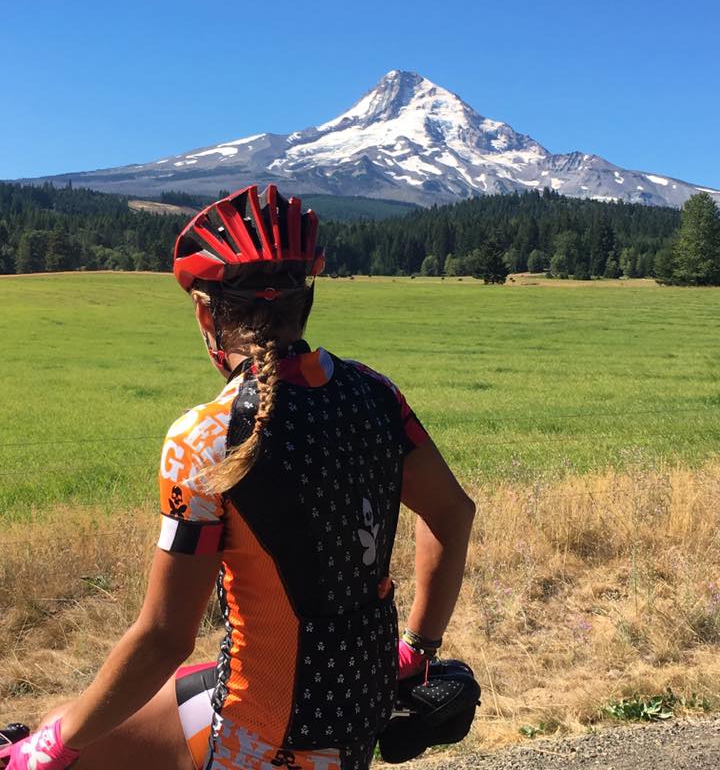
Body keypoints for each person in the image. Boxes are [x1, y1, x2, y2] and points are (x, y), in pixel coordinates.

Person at [4, 185, 475, 770]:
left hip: (263, 735)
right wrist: (418, 648)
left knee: (61, 743)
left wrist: (48, 751)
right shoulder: (376, 394)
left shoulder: (205, 436)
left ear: (207, 313)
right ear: (306, 300)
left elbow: (163, 638)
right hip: (359, 700)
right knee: (65, 719)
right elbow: (453, 512)